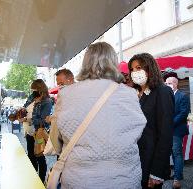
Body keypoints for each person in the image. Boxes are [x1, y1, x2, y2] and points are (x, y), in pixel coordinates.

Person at [50, 42, 147, 188]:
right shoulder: (129, 94)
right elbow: (137, 133)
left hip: (80, 180)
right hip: (124, 179)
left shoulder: (66, 94)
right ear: (113, 62)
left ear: (85, 63)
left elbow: (55, 140)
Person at [128, 53, 175, 189]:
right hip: (135, 162)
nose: (135, 72)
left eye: (139, 67)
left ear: (150, 68)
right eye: (132, 69)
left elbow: (165, 134)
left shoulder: (163, 91)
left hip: (151, 163)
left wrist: (157, 172)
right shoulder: (134, 94)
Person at [23, 79, 52, 183]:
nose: (32, 92)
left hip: (41, 133)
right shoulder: (35, 99)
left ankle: (41, 181)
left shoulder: (47, 102)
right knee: (33, 154)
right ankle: (34, 179)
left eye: (34, 89)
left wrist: (29, 120)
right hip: (34, 132)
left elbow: (44, 120)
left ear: (40, 89)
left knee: (40, 156)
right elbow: (33, 115)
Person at [165, 77, 190, 189]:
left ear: (175, 84)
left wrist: (170, 123)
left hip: (177, 129)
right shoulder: (165, 96)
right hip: (167, 130)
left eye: (169, 83)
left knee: (177, 153)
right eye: (166, 83)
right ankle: (178, 174)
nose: (167, 85)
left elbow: (183, 113)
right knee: (173, 153)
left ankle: (177, 179)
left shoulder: (183, 96)